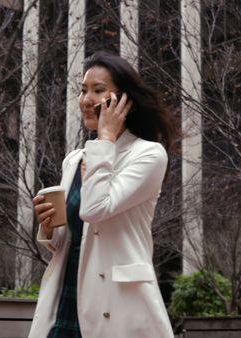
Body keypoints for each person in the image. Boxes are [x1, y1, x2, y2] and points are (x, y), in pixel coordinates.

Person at [28, 51, 177, 338]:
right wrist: (49, 226)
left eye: (98, 90)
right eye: (83, 91)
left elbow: (95, 209)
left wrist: (106, 138)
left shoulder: (148, 155)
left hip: (117, 304)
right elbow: (73, 240)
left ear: (125, 102)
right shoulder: (75, 159)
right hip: (67, 296)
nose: (86, 100)